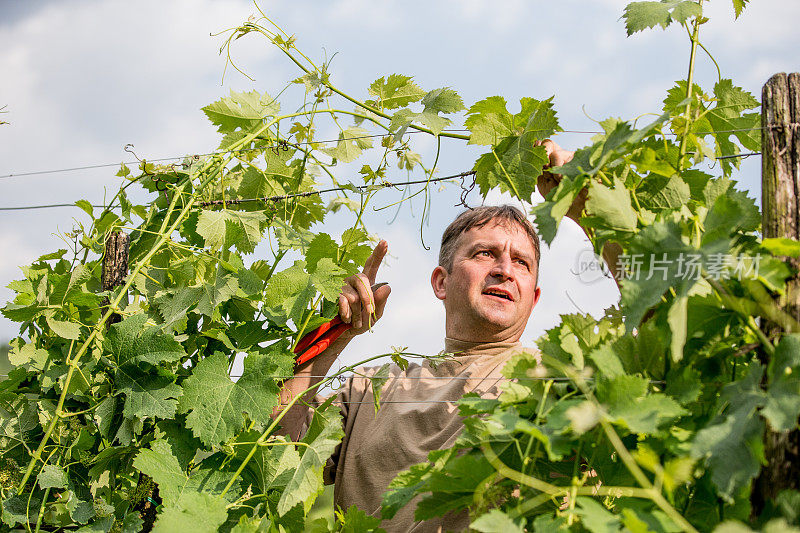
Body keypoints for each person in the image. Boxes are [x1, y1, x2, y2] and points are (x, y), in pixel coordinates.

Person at [276, 140, 617, 532]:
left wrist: (593, 210)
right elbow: (277, 463)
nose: (505, 269)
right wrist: (335, 333)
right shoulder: (368, 389)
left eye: (521, 262)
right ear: (441, 281)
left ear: (534, 296)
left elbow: (671, 347)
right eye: (485, 253)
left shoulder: (563, 377)